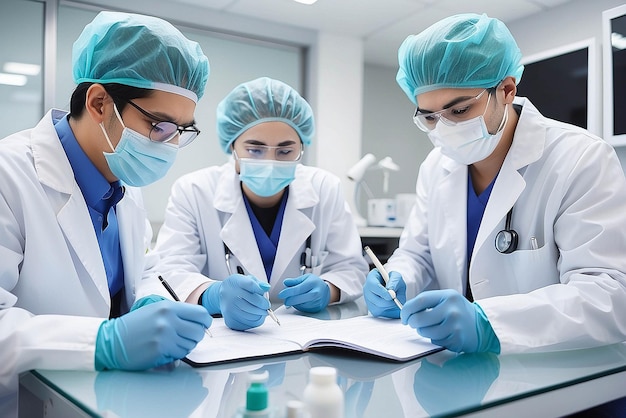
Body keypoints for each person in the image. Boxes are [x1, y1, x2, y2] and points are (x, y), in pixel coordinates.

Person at [364, 13, 626, 357]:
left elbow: (608, 294)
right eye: (429, 116)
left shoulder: (580, 158)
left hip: (562, 369)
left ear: (505, 90)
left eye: (458, 111)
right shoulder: (436, 166)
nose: (443, 129)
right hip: (457, 367)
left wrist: (491, 323)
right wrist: (397, 277)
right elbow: (419, 255)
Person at [0, 11, 213, 416]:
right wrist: (101, 342)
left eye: (182, 132)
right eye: (161, 127)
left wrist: (149, 298)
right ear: (100, 102)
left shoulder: (122, 184)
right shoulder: (8, 174)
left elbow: (139, 269)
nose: (169, 146)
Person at [144, 77, 368, 331]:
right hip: (225, 338)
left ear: (301, 149)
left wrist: (329, 290)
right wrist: (212, 294)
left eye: (285, 151)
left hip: (304, 337)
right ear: (232, 146)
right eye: (255, 150)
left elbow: (351, 267)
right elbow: (171, 270)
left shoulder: (325, 188)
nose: (270, 161)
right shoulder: (194, 191)